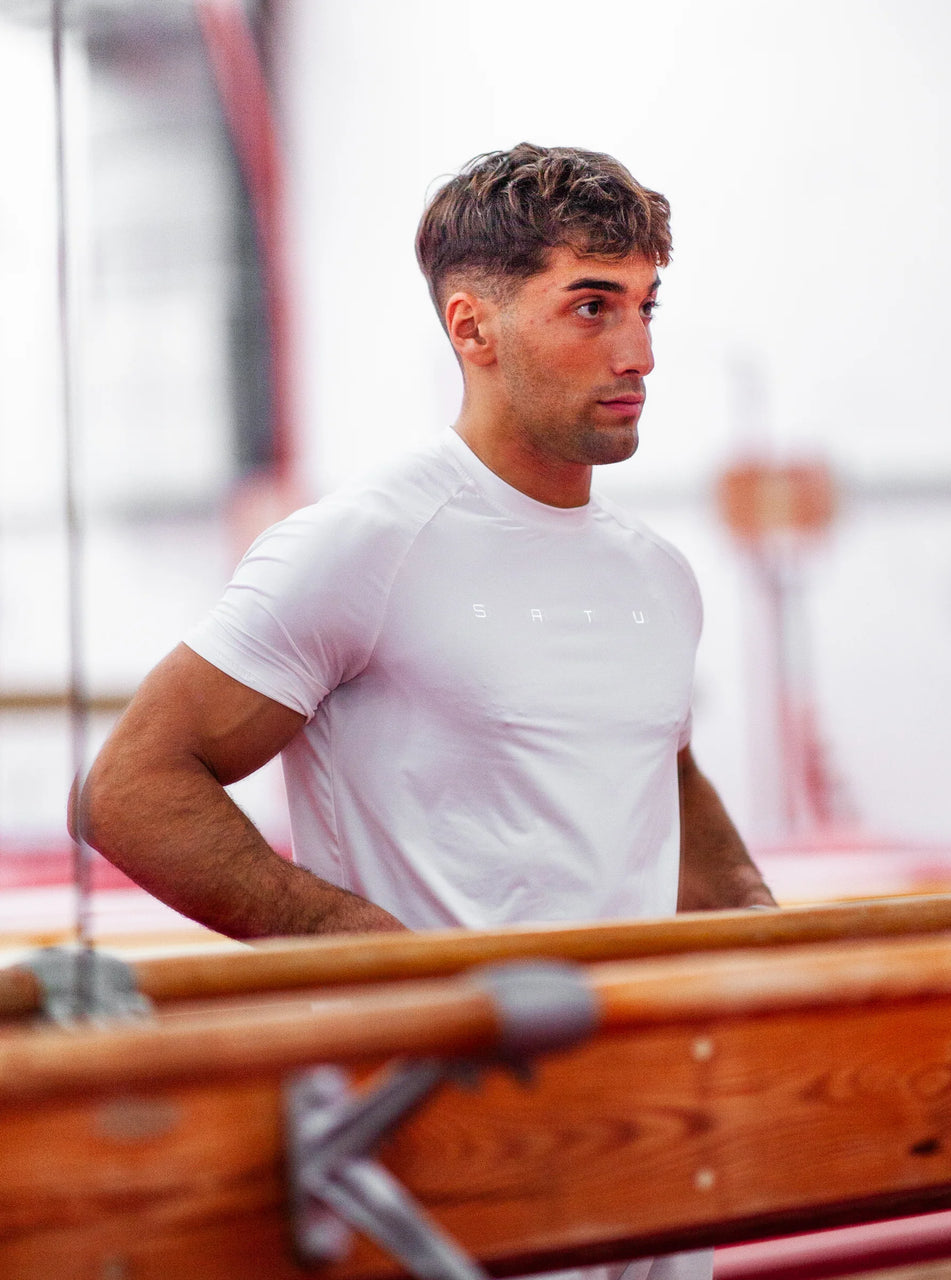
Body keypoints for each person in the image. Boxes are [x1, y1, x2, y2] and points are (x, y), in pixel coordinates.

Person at [75, 142, 773, 1279]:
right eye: (590, 306)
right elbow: (132, 785)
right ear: (472, 325)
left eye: (647, 304)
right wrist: (373, 955)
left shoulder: (658, 574)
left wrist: (757, 925)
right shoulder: (366, 542)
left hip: (638, 1122)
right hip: (435, 1134)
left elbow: (661, 769)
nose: (639, 350)